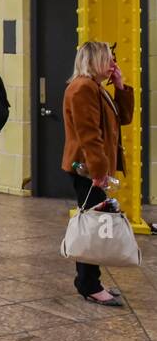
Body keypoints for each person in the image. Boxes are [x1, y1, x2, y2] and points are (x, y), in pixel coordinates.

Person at [61, 41, 133, 307]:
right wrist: (99, 171)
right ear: (94, 61)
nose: (113, 63)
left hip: (93, 168)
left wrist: (121, 85)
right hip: (87, 169)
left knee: (95, 222)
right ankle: (89, 285)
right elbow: (89, 134)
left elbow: (123, 118)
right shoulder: (82, 88)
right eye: (109, 59)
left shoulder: (95, 88)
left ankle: (91, 281)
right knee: (92, 225)